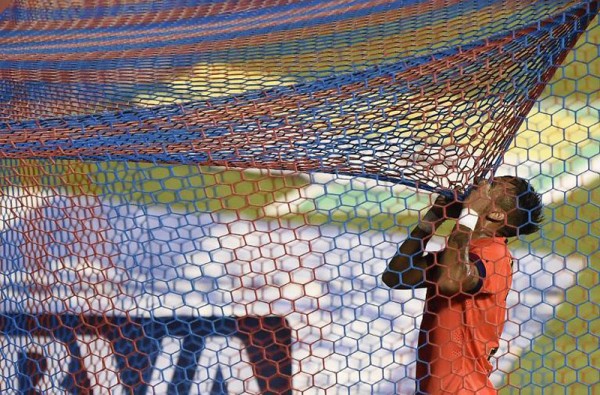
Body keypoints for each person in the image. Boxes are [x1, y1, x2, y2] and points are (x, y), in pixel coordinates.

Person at [382, 176, 544, 394]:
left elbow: (449, 281)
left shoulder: (493, 254)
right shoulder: (461, 256)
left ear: (495, 214)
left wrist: (469, 213)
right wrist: (434, 217)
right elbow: (397, 275)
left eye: (491, 187)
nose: (479, 184)